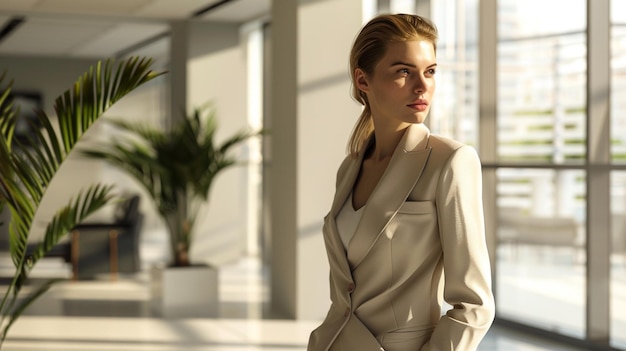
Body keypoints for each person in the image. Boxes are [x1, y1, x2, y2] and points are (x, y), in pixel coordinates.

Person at [307, 13, 495, 351]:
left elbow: (474, 306)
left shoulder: (450, 161)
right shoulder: (349, 169)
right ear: (363, 80)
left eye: (430, 71)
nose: (422, 86)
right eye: (404, 72)